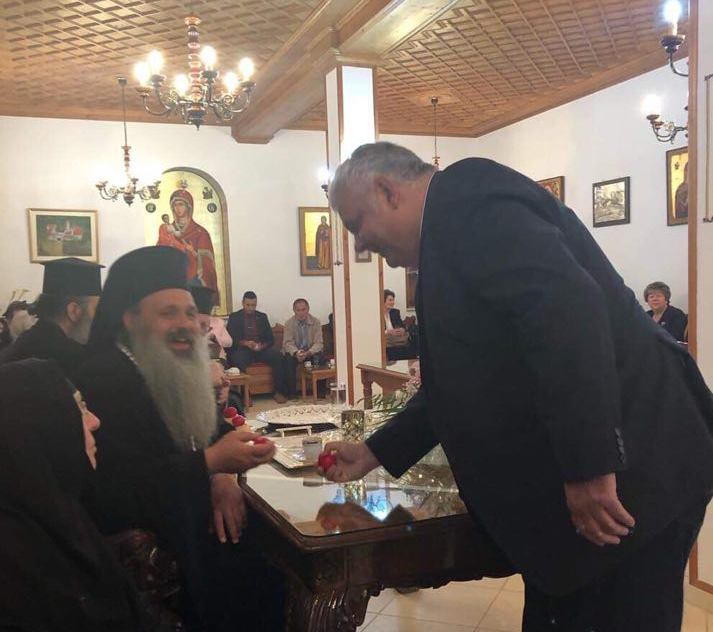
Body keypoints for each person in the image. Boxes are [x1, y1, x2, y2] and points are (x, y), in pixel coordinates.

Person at [321, 142, 713, 632]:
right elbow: (455, 383)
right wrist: (373, 452)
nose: (359, 245)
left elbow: (568, 309)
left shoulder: (465, 197)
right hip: (586, 510)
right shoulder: (442, 237)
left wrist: (589, 465)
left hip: (636, 476)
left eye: (356, 224)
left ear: (386, 191)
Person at [74, 246, 283, 632]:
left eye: (189, 313)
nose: (185, 324)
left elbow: (211, 429)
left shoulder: (166, 363)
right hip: (158, 544)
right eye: (168, 313)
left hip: (193, 514)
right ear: (130, 319)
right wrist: (211, 463)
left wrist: (224, 476)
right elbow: (113, 491)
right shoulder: (106, 378)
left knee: (276, 548)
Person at [0, 358, 145, 632]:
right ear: (43, 426)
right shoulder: (15, 566)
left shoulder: (55, 505)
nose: (95, 421)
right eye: (79, 408)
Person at [0, 257, 103, 376]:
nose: (99, 318)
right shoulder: (70, 356)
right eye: (95, 310)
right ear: (74, 311)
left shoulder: (27, 340)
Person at [227, 291, 288, 403]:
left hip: (261, 350)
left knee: (278, 356)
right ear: (243, 303)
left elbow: (270, 339)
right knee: (237, 358)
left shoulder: (262, 317)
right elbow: (230, 338)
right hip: (244, 350)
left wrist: (262, 346)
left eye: (253, 305)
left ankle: (279, 392)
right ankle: (246, 395)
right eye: (248, 305)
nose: (251, 308)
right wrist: (245, 343)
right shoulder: (234, 317)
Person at [157, 189, 218, 298]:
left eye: (181, 204)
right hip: (174, 281)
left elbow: (208, 266)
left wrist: (193, 252)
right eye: (175, 205)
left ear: (189, 207)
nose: (177, 208)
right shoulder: (167, 231)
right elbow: (160, 256)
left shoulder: (200, 232)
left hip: (194, 282)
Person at [281, 298, 324, 399]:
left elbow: (319, 343)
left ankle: (320, 392)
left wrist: (309, 352)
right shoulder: (289, 323)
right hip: (296, 352)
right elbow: (287, 343)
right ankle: (292, 393)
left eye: (303, 309)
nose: (301, 313)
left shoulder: (316, 322)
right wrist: (296, 352)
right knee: (287, 359)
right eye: (298, 310)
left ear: (308, 309)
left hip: (310, 351)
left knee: (321, 357)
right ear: (294, 311)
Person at [189, 283, 233, 362]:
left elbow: (229, 342)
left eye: (206, 324)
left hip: (215, 357)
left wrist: (215, 338)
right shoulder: (185, 325)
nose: (205, 329)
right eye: (201, 324)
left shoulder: (218, 322)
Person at [383, 289, 417, 361]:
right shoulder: (377, 313)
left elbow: (402, 326)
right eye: (390, 300)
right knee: (396, 351)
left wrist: (402, 329)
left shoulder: (395, 312)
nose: (393, 302)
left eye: (393, 300)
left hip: (396, 340)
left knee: (411, 348)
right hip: (386, 342)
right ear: (383, 301)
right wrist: (387, 331)